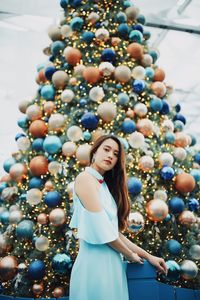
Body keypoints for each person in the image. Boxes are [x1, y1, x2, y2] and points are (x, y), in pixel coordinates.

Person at [69, 134, 168, 300]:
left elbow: (114, 233)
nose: (110, 156)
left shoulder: (105, 186)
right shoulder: (85, 179)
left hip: (113, 266)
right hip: (94, 267)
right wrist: (129, 255)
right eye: (106, 150)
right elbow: (103, 231)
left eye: (115, 154)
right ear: (94, 152)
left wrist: (147, 256)